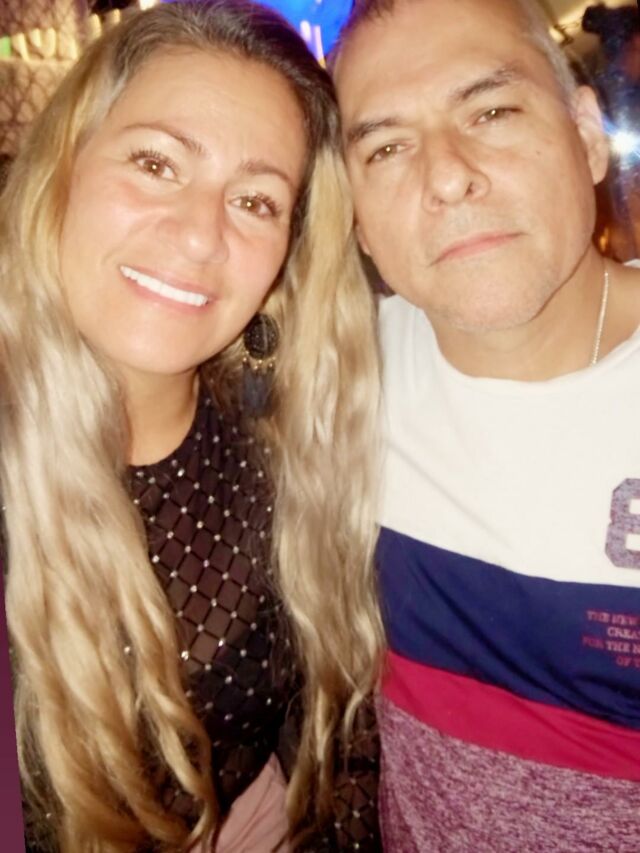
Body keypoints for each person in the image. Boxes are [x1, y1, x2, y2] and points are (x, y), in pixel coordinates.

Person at [0, 1, 383, 850]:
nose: (200, 235)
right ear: (64, 166)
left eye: (255, 200)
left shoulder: (284, 447)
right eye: (156, 163)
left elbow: (342, 736)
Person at [332, 0, 640, 849]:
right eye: (387, 148)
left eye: (492, 112)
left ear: (588, 135)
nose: (446, 176)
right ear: (356, 218)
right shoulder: (336, 385)